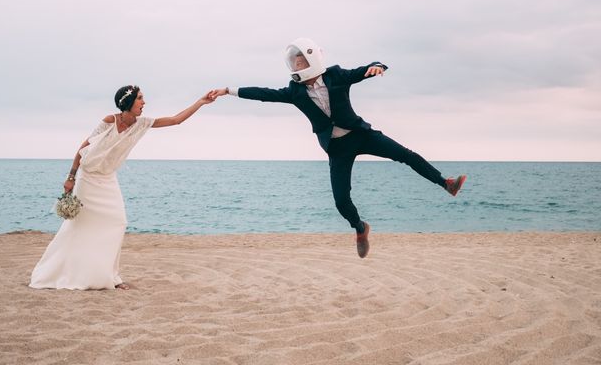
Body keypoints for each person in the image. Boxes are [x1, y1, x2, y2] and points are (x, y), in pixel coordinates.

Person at [210, 38, 466, 259]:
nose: (296, 66)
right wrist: (228, 90)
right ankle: (360, 228)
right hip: (337, 148)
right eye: (294, 62)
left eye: (300, 61)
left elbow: (363, 70)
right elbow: (264, 93)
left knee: (406, 156)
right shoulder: (294, 92)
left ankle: (446, 183)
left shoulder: (336, 75)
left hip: (361, 135)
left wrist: (377, 67)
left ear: (312, 59)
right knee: (341, 200)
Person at [30, 86, 215, 290]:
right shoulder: (110, 121)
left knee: (118, 222)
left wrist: (200, 102)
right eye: (140, 99)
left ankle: (110, 276)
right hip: (88, 178)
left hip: (108, 180)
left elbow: (175, 120)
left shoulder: (142, 123)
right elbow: (83, 149)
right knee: (79, 227)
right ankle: (65, 271)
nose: (144, 103)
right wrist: (71, 177)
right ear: (128, 102)